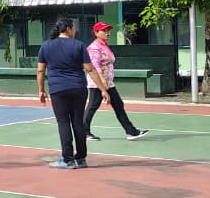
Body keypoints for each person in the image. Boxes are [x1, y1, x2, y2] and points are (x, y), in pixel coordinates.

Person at [37, 18, 112, 169]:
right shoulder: (78, 45)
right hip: (78, 88)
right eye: (74, 27)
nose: (75, 30)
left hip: (58, 89)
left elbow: (40, 70)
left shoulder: (46, 46)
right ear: (68, 28)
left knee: (63, 122)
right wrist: (103, 90)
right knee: (78, 122)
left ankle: (68, 160)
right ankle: (81, 158)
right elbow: (90, 69)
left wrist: (41, 90)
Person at [84, 22, 148, 141]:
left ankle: (131, 131)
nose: (107, 33)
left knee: (118, 105)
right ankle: (84, 132)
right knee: (93, 106)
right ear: (96, 33)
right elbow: (94, 66)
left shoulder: (104, 45)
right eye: (104, 31)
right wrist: (102, 81)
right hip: (97, 83)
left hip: (109, 83)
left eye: (108, 31)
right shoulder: (94, 48)